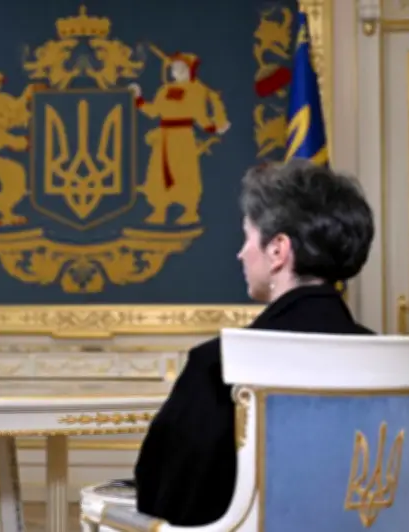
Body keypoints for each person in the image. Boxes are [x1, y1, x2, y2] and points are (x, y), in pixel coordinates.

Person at [133, 159, 376, 526]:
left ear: (278, 250)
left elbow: (165, 496)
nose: (241, 253)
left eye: (247, 237)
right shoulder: (381, 357)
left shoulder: (221, 365)